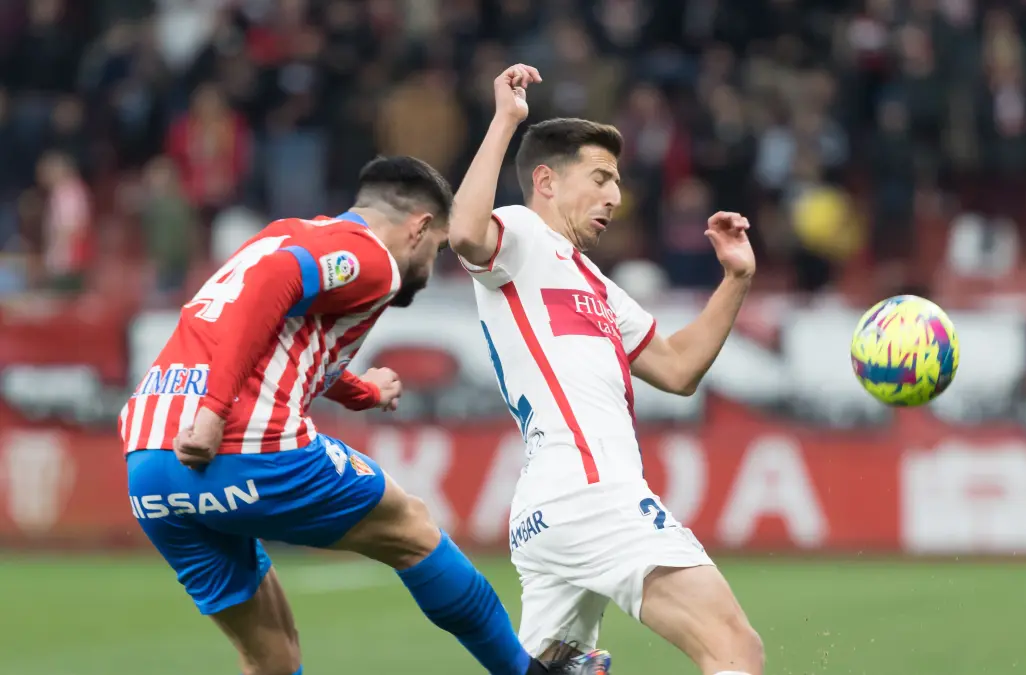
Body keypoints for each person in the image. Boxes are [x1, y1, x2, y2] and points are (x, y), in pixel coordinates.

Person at [120, 155, 611, 675]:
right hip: (239, 444)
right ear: (419, 227)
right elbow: (274, 282)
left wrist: (360, 391)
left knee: (272, 660)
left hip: (150, 461)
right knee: (411, 528)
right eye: (436, 248)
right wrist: (214, 411)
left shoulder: (285, 235)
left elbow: (266, 329)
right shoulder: (371, 256)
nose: (428, 268)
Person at [449, 65, 764, 675]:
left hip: (551, 508)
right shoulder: (520, 234)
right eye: (599, 178)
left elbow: (678, 369)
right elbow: (463, 231)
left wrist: (736, 279)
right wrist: (506, 121)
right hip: (589, 489)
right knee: (734, 647)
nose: (615, 196)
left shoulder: (593, 282)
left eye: (616, 181)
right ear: (545, 181)